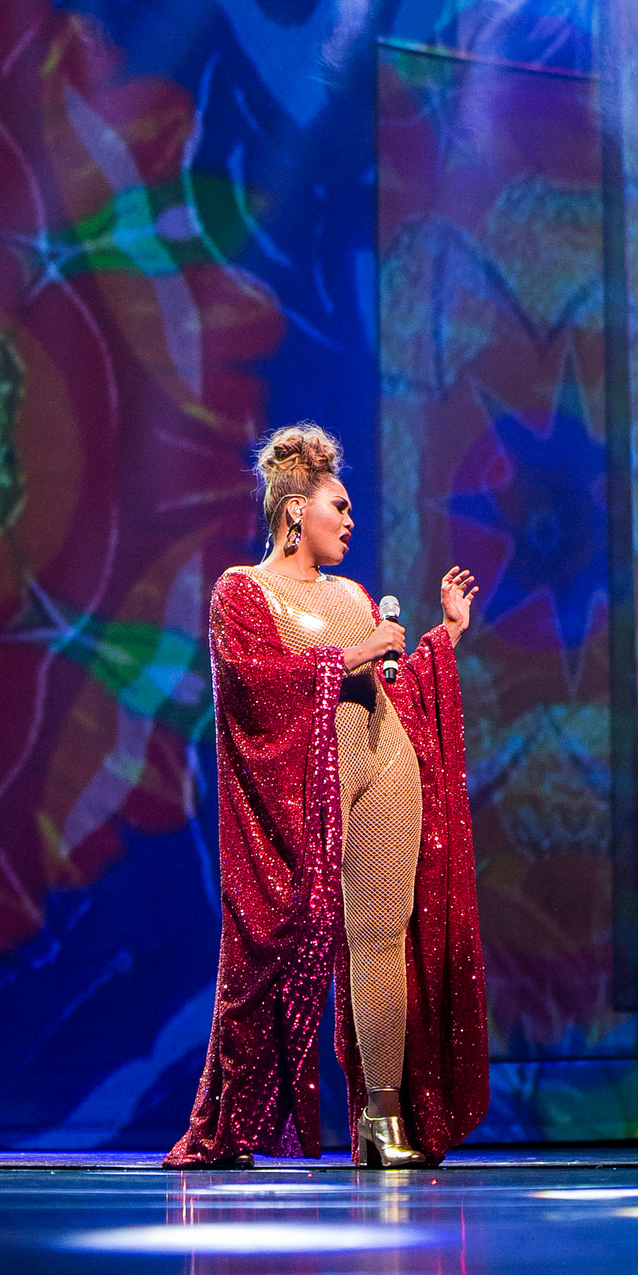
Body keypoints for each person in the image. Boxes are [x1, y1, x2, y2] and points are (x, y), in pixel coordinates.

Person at [165, 423, 489, 1169]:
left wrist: (444, 635)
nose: (349, 520)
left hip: (388, 768)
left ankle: (384, 1119)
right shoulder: (243, 591)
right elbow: (253, 682)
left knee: (382, 941)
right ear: (294, 511)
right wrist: (350, 656)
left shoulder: (352, 593)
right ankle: (237, 1122)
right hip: (313, 788)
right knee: (276, 944)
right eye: (337, 506)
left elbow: (393, 683)